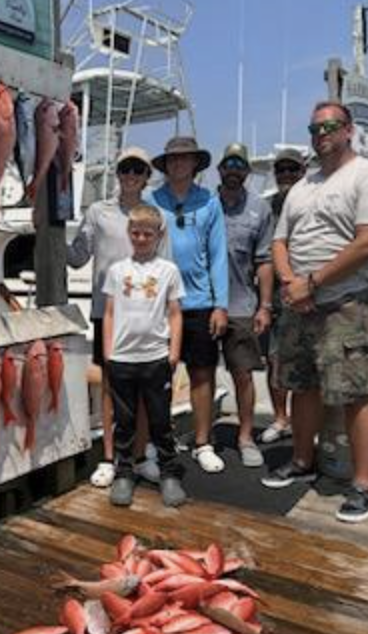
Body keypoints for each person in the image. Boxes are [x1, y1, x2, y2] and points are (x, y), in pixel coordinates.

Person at [262, 101, 368, 523]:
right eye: (315, 128)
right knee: (302, 386)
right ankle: (303, 461)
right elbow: (279, 242)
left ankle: (362, 485)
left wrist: (313, 282)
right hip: (300, 302)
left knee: (355, 393)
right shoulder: (301, 186)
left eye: (331, 126)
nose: (322, 134)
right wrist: (290, 284)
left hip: (348, 302)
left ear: (348, 130)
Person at [67, 147, 160, 488]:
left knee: (143, 391)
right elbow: (77, 257)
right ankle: (108, 458)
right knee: (110, 387)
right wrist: (46, 229)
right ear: (117, 172)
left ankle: (138, 456)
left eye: (139, 169)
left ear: (147, 176)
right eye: (126, 168)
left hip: (146, 316)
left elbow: (164, 268)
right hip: (105, 313)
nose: (132, 174)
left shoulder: (155, 214)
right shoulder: (97, 211)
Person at [148, 136, 229, 474]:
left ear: (196, 164)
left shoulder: (209, 201)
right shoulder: (152, 200)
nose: (179, 164)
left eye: (186, 159)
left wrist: (220, 305)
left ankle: (202, 442)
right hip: (159, 303)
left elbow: (218, 255)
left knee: (202, 373)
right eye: (173, 159)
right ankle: (156, 441)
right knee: (156, 376)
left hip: (199, 302)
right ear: (165, 165)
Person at [102, 204, 186, 508]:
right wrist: (107, 351)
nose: (141, 238)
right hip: (122, 358)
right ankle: (124, 472)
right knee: (124, 421)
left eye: (147, 233)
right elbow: (110, 313)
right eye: (135, 232)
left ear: (158, 235)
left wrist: (174, 351)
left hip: (156, 358)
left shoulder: (168, 271)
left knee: (161, 421)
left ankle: (169, 472)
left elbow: (176, 314)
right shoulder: (116, 270)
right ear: (128, 233)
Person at [217, 143, 274, 466]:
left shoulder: (260, 209)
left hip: (241, 305)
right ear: (220, 170)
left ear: (248, 171)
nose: (234, 169)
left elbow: (264, 260)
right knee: (200, 374)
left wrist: (265, 305)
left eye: (240, 164)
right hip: (204, 305)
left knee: (242, 374)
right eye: (229, 163)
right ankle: (202, 438)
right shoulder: (205, 203)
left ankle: (245, 436)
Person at [259, 147, 308, 445]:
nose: (286, 175)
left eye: (293, 169)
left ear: (303, 172)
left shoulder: (313, 199)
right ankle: (281, 418)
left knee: (307, 364)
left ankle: (307, 425)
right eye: (281, 170)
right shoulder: (269, 207)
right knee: (275, 360)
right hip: (276, 297)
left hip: (308, 293)